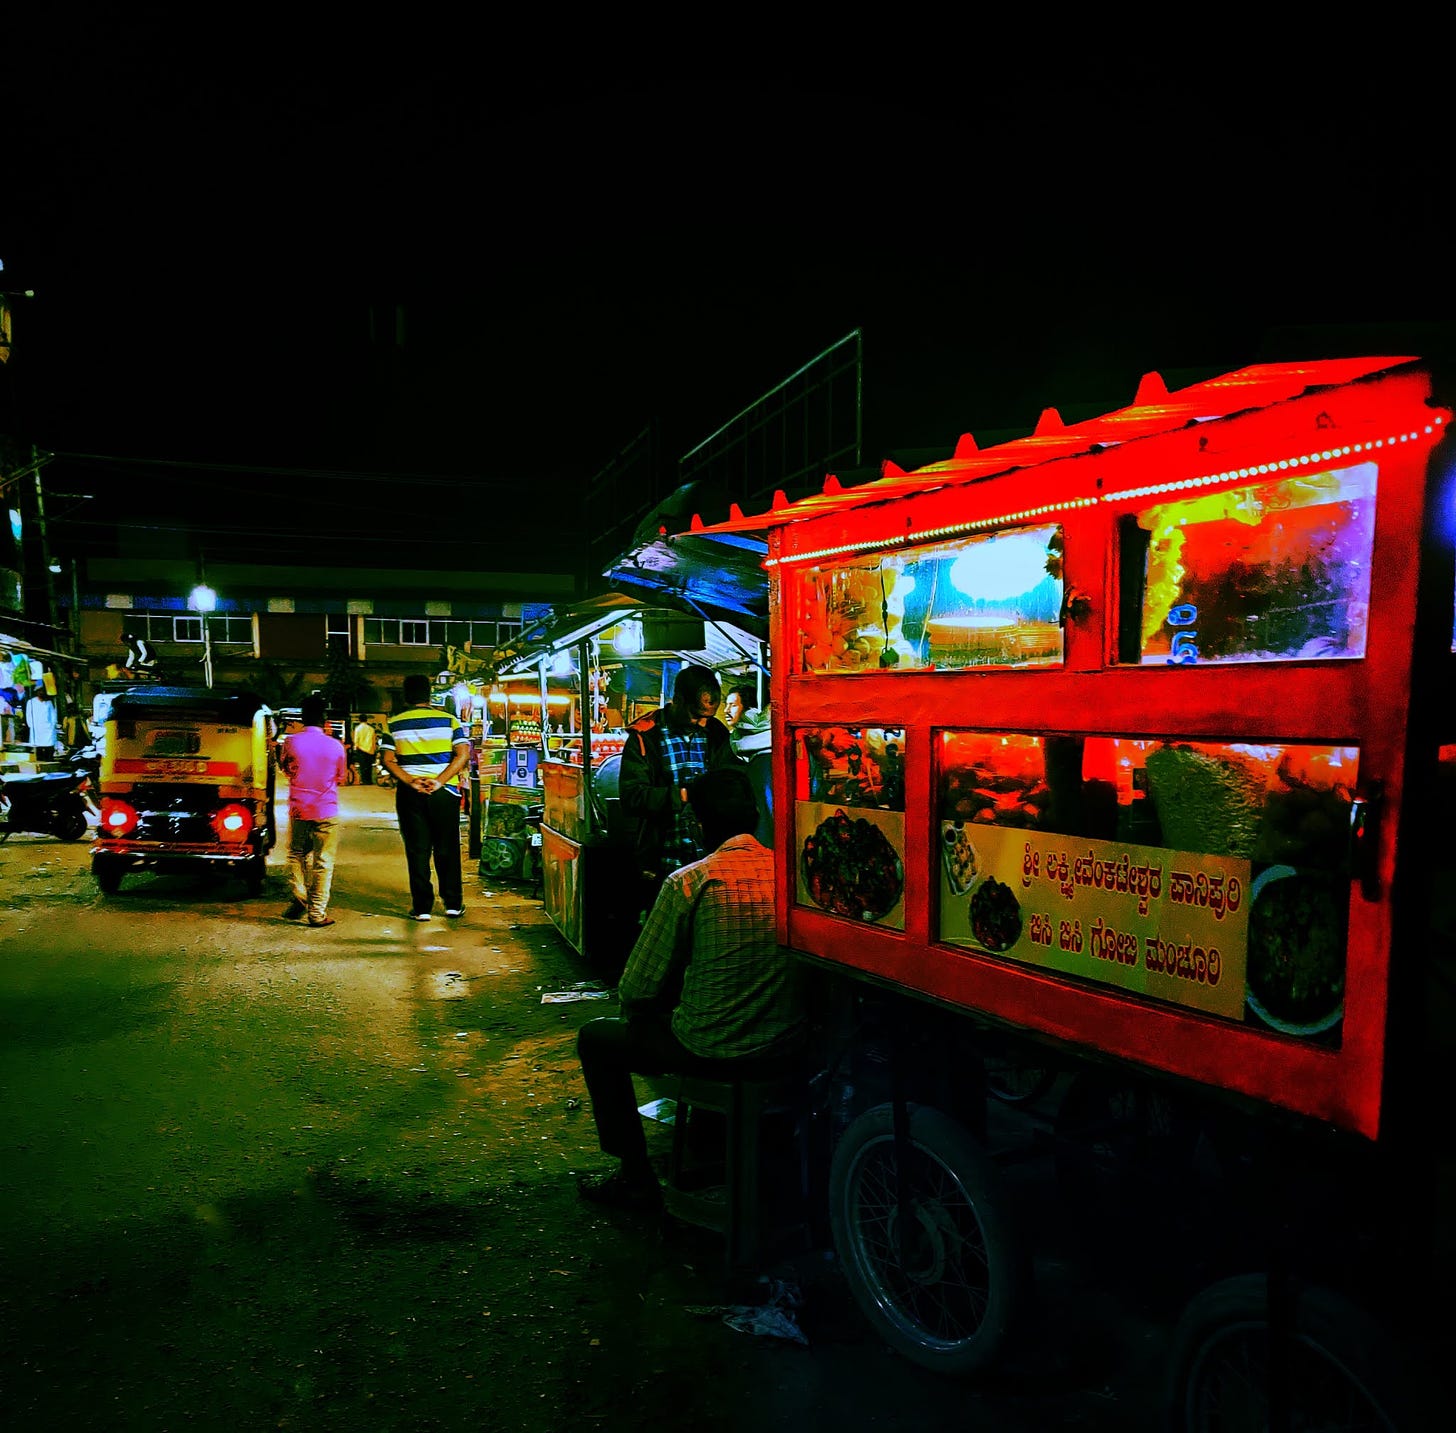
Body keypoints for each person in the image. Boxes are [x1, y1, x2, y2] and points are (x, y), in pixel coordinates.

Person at [575, 765, 806, 1210]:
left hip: (709, 1049)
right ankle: (707, 1139)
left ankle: (635, 1177)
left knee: (597, 1039)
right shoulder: (792, 877)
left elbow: (637, 987)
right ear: (755, 816)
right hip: (787, 1047)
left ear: (699, 823)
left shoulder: (691, 881)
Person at [618, 664, 738, 924]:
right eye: (697, 715)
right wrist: (685, 795)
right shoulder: (645, 736)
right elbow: (632, 796)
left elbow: (729, 782)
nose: (702, 722)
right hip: (662, 861)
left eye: (708, 715)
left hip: (709, 858)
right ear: (679, 700)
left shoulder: (716, 733)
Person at [379, 673, 471, 920]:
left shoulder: (394, 724)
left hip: (411, 795)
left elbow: (387, 760)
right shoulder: (449, 720)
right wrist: (439, 781)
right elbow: (462, 754)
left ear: (407, 696)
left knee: (417, 850)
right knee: (447, 848)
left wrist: (411, 780)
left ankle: (422, 908)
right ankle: (452, 904)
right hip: (445, 794)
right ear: (429, 694)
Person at [280, 693, 349, 927]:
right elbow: (341, 777)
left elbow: (285, 768)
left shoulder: (291, 742)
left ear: (303, 718)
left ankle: (300, 895)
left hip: (299, 808)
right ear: (325, 720)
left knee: (296, 854)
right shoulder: (336, 745)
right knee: (323, 861)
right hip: (326, 810)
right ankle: (317, 913)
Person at [24, 687, 59, 761]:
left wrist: (53, 725)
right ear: (37, 692)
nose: (41, 693)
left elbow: (53, 715)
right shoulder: (31, 702)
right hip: (36, 728)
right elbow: (28, 715)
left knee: (49, 746)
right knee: (38, 746)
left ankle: (49, 760)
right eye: (39, 691)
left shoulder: (49, 703)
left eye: (43, 691)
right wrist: (31, 726)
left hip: (48, 728)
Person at [352, 715, 379, 785]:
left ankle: (364, 781)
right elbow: (374, 740)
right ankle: (369, 780)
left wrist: (355, 748)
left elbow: (356, 739)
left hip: (361, 749)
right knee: (369, 766)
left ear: (359, 720)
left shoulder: (358, 728)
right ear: (366, 720)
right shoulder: (371, 729)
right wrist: (374, 749)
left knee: (362, 766)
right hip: (370, 750)